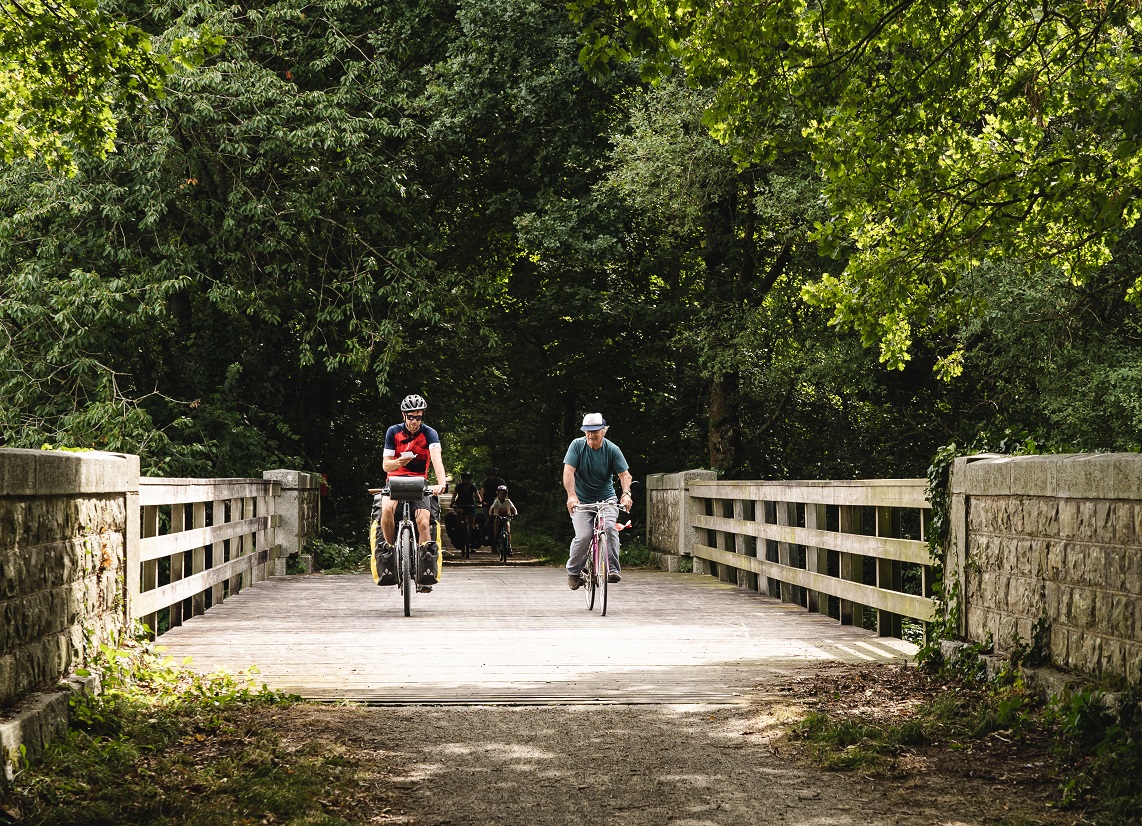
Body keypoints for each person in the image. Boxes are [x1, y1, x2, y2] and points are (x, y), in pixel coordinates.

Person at [374, 394, 449, 589]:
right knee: (387, 509)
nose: (415, 421)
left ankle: (424, 573)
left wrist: (441, 483)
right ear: (404, 415)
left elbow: (436, 460)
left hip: (419, 482)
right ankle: (389, 553)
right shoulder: (393, 432)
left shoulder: (429, 433)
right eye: (411, 417)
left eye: (419, 417)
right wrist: (398, 463)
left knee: (424, 522)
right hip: (395, 480)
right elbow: (385, 466)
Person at [563, 413, 633, 589]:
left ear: (604, 431)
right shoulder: (576, 446)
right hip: (581, 501)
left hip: (606, 499)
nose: (591, 435)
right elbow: (568, 472)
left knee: (609, 528)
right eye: (587, 431)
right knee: (584, 535)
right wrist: (571, 495)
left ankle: (613, 569)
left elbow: (624, 475)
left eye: (595, 431)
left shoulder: (612, 449)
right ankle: (574, 571)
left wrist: (626, 493)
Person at [450, 470, 482, 553]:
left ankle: (472, 544)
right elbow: (453, 497)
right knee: (459, 521)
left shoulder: (472, 487)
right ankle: (460, 539)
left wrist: (480, 503)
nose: (466, 480)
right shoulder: (459, 487)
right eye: (464, 479)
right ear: (462, 479)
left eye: (467, 479)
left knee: (472, 525)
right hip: (460, 504)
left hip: (470, 505)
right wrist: (453, 504)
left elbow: (478, 497)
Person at [487, 484, 518, 551]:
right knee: (496, 523)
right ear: (498, 494)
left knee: (508, 530)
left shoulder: (508, 501)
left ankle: (509, 546)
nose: (502, 495)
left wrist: (515, 513)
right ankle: (495, 539)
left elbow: (514, 508)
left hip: (506, 517)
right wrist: (490, 514)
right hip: (498, 517)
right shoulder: (496, 501)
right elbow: (491, 508)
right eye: (501, 493)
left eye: (504, 494)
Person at [478, 467, 506, 540]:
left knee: (503, 517)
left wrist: (505, 501)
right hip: (487, 502)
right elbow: (482, 492)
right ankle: (485, 533)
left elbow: (505, 492)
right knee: (488, 518)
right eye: (492, 475)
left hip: (498, 502)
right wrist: (482, 501)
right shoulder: (486, 482)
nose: (493, 477)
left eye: (495, 475)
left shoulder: (501, 482)